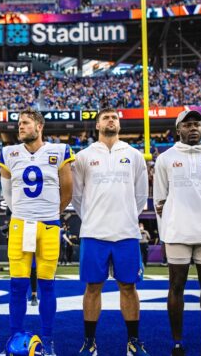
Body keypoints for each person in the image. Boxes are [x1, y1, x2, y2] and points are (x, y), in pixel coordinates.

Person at [71, 108, 150, 356]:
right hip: (94, 232)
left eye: (114, 117)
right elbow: (77, 196)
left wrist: (125, 217)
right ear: (97, 125)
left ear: (119, 124)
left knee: (129, 287)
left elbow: (140, 196)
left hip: (126, 232)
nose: (110, 120)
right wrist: (94, 217)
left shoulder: (134, 154)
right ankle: (90, 342)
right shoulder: (84, 156)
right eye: (106, 118)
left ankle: (133, 341)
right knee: (92, 287)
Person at [0, 109, 74, 355]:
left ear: (39, 126)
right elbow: (8, 193)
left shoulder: (58, 151)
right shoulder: (10, 153)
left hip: (48, 225)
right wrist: (23, 213)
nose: (20, 127)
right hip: (21, 225)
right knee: (18, 286)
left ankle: (48, 340)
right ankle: (14, 339)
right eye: (19, 123)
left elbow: (67, 191)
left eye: (25, 123)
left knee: (47, 286)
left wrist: (49, 213)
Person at [153, 110, 201, 356]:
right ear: (178, 129)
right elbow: (160, 198)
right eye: (188, 124)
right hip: (177, 232)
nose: (194, 128)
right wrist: (166, 233)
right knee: (176, 287)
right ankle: (177, 342)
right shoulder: (165, 158)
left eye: (197, 124)